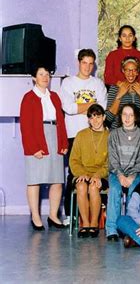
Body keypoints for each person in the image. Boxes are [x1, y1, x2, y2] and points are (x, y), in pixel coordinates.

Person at [59, 48, 107, 225]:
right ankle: (71, 215)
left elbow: (102, 109)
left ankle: (97, 217)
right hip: (73, 134)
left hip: (96, 134)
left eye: (90, 63)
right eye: (84, 63)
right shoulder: (68, 83)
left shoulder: (98, 83)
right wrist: (92, 105)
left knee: (96, 174)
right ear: (78, 63)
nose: (87, 67)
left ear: (94, 65)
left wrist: (81, 106)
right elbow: (68, 108)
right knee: (74, 174)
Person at [20, 65, 68, 230]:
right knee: (35, 180)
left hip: (54, 136)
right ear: (34, 77)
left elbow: (61, 122)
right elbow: (26, 126)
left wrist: (63, 143)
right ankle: (35, 216)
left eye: (47, 74)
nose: (45, 77)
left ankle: (53, 216)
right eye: (41, 74)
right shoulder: (28, 98)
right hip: (37, 138)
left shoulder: (54, 97)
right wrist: (33, 148)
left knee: (57, 180)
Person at [106, 103, 140, 241]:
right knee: (114, 189)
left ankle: (130, 228)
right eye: (124, 114)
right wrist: (119, 175)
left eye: (131, 115)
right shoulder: (113, 134)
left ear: (136, 117)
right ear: (120, 116)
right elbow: (112, 158)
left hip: (136, 174)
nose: (127, 118)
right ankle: (112, 229)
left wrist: (132, 176)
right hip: (116, 173)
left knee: (134, 190)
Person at [69, 104, 109, 238]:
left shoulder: (110, 136)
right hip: (82, 173)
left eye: (98, 117)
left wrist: (98, 175)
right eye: (91, 118)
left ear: (103, 117)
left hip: (102, 174)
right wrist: (82, 174)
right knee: (81, 186)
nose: (95, 121)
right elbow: (73, 160)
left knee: (93, 187)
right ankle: (85, 224)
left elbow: (111, 163)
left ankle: (94, 224)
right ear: (88, 120)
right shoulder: (81, 135)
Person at [105, 57, 140, 129]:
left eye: (134, 70)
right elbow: (109, 118)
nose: (131, 74)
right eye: (127, 70)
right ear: (123, 70)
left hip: (138, 133)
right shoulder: (115, 88)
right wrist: (119, 95)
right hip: (118, 132)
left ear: (138, 71)